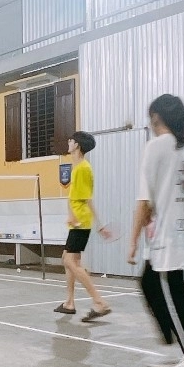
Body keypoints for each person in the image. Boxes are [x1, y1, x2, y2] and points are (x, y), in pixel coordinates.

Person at [128, 94, 184, 367]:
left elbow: (144, 201)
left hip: (168, 236)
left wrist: (132, 241)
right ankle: (174, 345)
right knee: (149, 283)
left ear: (156, 117)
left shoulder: (156, 146)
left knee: (174, 296)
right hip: (182, 230)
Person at [53, 131, 113, 322]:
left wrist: (96, 223)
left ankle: (99, 302)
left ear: (77, 145)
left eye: (71, 140)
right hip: (78, 221)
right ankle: (69, 302)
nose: (68, 142)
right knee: (68, 259)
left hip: (80, 222)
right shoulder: (78, 167)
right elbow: (78, 197)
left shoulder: (83, 169)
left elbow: (86, 199)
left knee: (71, 262)